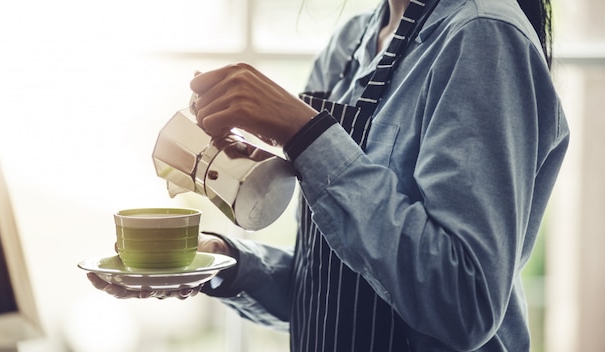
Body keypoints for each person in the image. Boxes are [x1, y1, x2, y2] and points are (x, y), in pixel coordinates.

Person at [88, 0, 570, 350]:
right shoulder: (352, 42)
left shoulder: (482, 33)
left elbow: (465, 304)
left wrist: (305, 133)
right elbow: (334, 291)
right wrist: (226, 265)